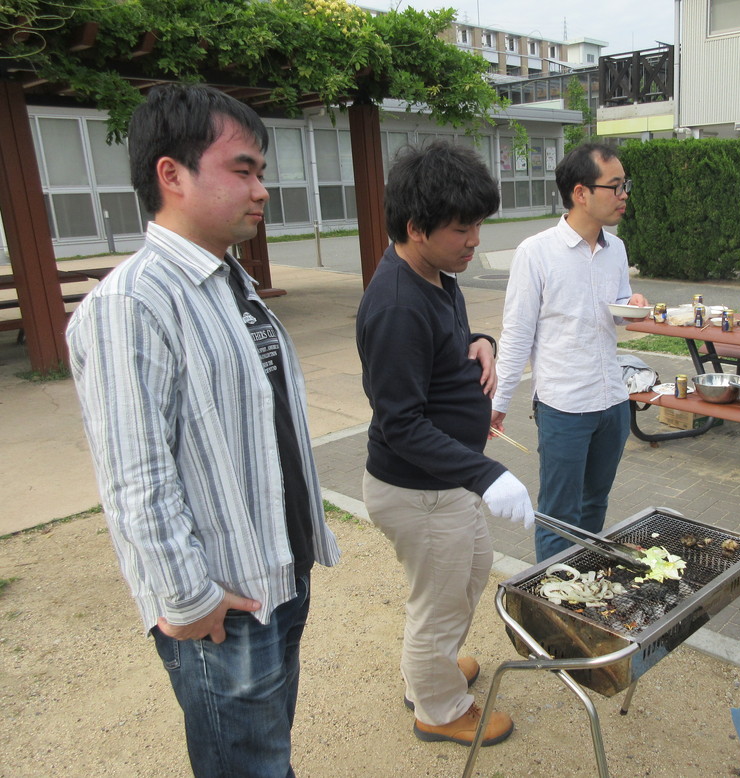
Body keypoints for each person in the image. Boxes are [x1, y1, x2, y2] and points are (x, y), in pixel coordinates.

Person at [65, 84, 340, 776]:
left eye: (261, 172)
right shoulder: (133, 303)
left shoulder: (228, 282)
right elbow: (135, 474)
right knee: (249, 766)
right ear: (172, 174)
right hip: (222, 600)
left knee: (267, 751)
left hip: (276, 571)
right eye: (242, 170)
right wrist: (189, 600)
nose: (261, 190)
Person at [355, 141, 534, 748]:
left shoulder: (435, 275)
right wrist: (488, 474)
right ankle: (437, 706)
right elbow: (400, 422)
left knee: (470, 572)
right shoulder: (397, 306)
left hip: (446, 482)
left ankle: (431, 665)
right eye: (462, 229)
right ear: (416, 227)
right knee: (439, 600)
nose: (474, 241)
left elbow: (442, 346)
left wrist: (479, 341)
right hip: (418, 490)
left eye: (478, 225)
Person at [491, 142, 649, 563]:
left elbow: (615, 311)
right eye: (614, 186)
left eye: (625, 185)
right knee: (559, 514)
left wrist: (630, 305)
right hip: (564, 406)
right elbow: (517, 334)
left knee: (595, 504)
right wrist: (497, 405)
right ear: (581, 193)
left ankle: (586, 581)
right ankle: (550, 593)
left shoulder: (616, 249)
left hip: (613, 400)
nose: (623, 195)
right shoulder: (536, 252)